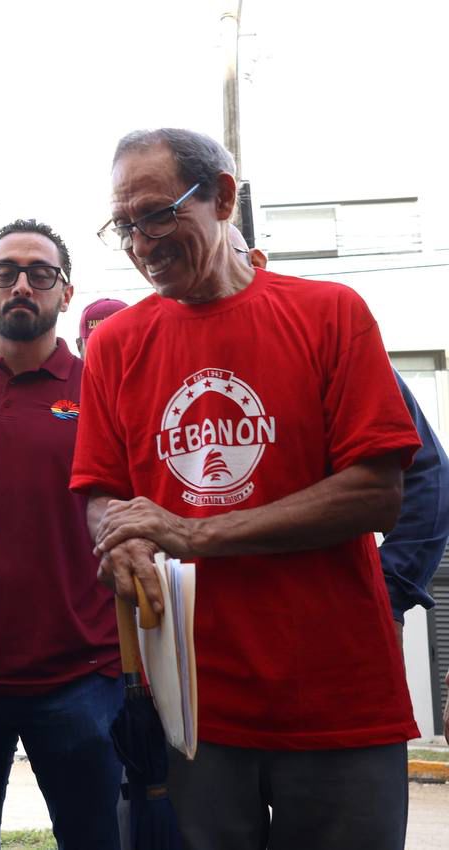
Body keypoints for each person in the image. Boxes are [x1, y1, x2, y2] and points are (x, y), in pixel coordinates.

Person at [72, 127, 421, 850]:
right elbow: (101, 491)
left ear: (224, 197)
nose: (140, 243)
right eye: (124, 225)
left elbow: (375, 493)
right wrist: (118, 537)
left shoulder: (332, 313)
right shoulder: (113, 345)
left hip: (337, 699)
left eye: (157, 215)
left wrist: (192, 533)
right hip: (192, 710)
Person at [0, 220, 122, 850]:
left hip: (79, 672)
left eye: (41, 274)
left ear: (66, 293)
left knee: (94, 839)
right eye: (5, 272)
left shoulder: (102, 391)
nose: (21, 286)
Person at [229, 224, 449, 642]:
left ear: (257, 263)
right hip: (220, 634)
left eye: (224, 264)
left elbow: (427, 475)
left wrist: (391, 586)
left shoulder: (326, 344)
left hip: (331, 626)